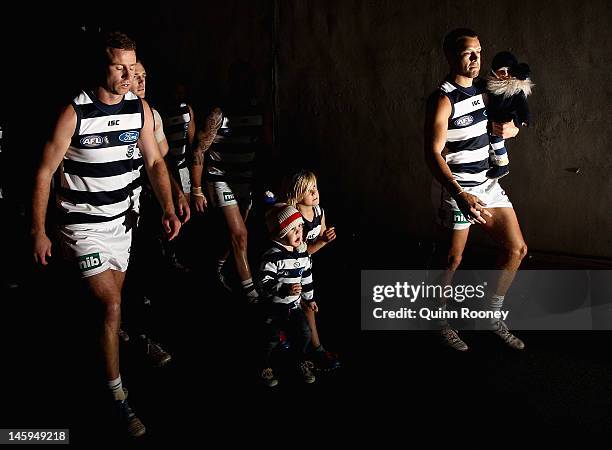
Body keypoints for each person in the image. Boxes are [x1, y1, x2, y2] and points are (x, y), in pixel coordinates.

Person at [30, 32, 181, 437]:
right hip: (81, 227)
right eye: (120, 67)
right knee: (111, 304)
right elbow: (44, 172)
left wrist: (168, 206)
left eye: (133, 66)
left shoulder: (140, 110)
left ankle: (91, 354)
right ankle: (117, 397)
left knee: (106, 309)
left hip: (121, 226)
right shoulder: (74, 112)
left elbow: (154, 162)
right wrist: (38, 231)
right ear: (103, 66)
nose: (129, 74)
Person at [424, 28, 528, 351]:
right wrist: (459, 193)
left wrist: (514, 127)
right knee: (452, 258)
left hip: (487, 185)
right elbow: (432, 154)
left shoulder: (485, 90)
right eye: (468, 52)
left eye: (479, 52)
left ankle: (490, 314)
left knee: (517, 250)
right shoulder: (443, 98)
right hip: (457, 189)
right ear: (451, 56)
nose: (476, 59)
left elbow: (516, 105)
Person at [123, 59, 191, 367]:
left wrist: (176, 194)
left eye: (143, 76)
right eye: (134, 76)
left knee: (144, 264)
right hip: (111, 207)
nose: (140, 81)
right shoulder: (105, 113)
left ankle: (137, 329)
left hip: (144, 202)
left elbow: (160, 162)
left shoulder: (151, 115)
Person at [191, 61, 271, 302]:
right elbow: (199, 150)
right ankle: (251, 294)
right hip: (221, 181)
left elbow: (265, 148)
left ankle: (215, 267)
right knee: (240, 235)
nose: (247, 86)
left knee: (237, 235)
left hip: (245, 181)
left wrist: (265, 182)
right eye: (242, 81)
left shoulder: (259, 111)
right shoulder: (219, 114)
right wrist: (196, 189)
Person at [285, 170, 340, 371]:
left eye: (315, 187)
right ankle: (315, 350)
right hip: (293, 265)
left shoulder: (319, 211)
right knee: (304, 304)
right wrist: (323, 242)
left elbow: (320, 237)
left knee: (304, 305)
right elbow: (302, 250)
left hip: (307, 264)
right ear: (297, 195)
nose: (314, 193)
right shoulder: (295, 218)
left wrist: (327, 237)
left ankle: (290, 338)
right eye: (308, 190)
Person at [258, 204, 317, 387]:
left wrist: (310, 298)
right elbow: (263, 283)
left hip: (294, 307)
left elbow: (306, 278)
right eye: (293, 229)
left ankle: (299, 361)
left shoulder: (302, 255)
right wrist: (284, 289)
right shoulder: (272, 257)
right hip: (275, 308)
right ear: (281, 233)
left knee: (305, 333)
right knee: (270, 339)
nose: (299, 232)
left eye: (300, 227)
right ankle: (264, 366)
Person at [485, 51, 534, 179]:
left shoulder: (515, 89)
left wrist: (524, 120)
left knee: (497, 142)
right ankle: (494, 162)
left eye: (508, 70)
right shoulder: (489, 86)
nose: (506, 74)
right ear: (495, 71)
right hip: (492, 121)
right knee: (491, 143)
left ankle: (502, 164)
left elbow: (522, 106)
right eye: (502, 70)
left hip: (504, 120)